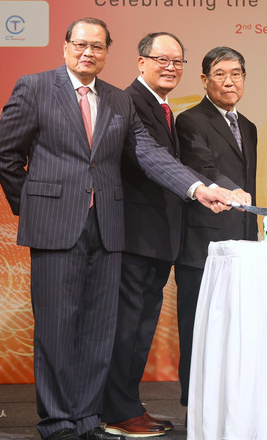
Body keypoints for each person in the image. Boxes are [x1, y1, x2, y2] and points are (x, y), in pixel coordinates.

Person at [0, 18, 245, 440]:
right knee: (57, 327)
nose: (88, 53)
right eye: (81, 45)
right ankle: (58, 422)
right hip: (56, 228)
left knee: (99, 329)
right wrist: (36, 206)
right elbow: (4, 154)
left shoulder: (117, 100)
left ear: (108, 52)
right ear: (66, 46)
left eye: (98, 46)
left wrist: (198, 188)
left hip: (108, 228)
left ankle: (88, 418)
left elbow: (148, 153)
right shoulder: (35, 88)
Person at [100, 32, 188, 438]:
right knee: (126, 327)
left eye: (177, 61)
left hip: (158, 238)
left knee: (140, 328)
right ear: (141, 62)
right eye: (161, 59)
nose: (170, 67)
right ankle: (116, 411)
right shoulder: (127, 102)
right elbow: (147, 163)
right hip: (134, 237)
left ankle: (128, 405)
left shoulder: (164, 108)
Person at [175, 46, 258, 409]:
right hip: (202, 245)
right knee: (198, 328)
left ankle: (232, 405)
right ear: (204, 79)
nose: (229, 81)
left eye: (236, 74)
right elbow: (202, 167)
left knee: (235, 329)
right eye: (220, 74)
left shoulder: (248, 126)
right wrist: (230, 191)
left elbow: (248, 183)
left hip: (242, 245)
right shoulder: (190, 121)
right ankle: (196, 406)